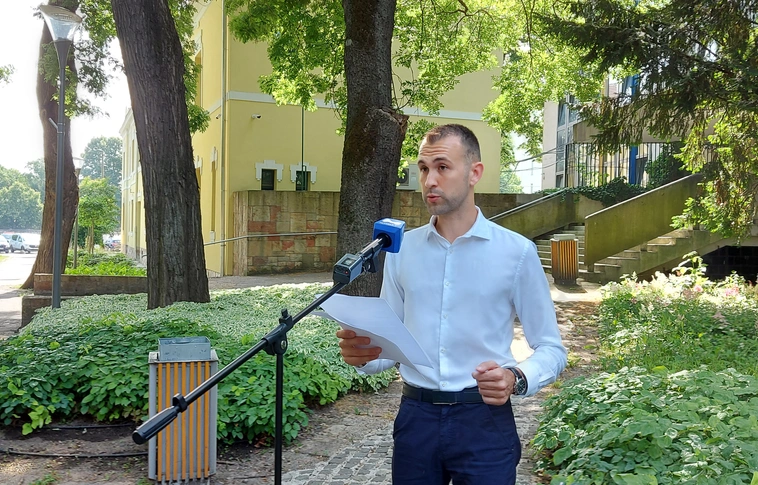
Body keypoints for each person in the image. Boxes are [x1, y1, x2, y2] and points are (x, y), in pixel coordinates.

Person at [336, 124, 567, 484]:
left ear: (474, 173)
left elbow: (551, 348)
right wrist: (365, 355)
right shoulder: (402, 251)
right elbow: (391, 347)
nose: (429, 180)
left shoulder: (517, 253)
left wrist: (516, 378)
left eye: (442, 167)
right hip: (416, 420)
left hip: (484, 422)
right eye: (423, 168)